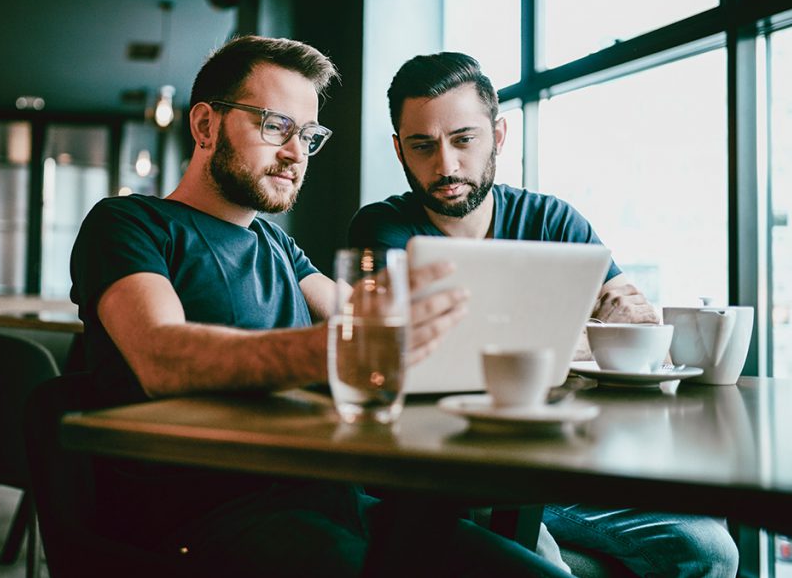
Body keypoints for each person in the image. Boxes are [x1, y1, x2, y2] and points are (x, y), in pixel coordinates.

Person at [69, 35, 574, 578]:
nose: (295, 154)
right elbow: (162, 356)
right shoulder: (130, 224)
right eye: (274, 126)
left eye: (308, 136)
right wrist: (349, 347)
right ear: (206, 126)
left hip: (337, 503)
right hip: (209, 522)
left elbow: (361, 315)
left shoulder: (276, 244)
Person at [348, 51, 740, 578]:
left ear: (498, 136)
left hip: (566, 460)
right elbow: (408, 346)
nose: (446, 165)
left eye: (464, 139)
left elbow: (640, 331)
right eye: (423, 146)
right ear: (399, 149)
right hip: (454, 471)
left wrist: (508, 338)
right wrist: (579, 337)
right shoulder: (382, 228)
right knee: (547, 565)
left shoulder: (554, 220)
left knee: (711, 550)